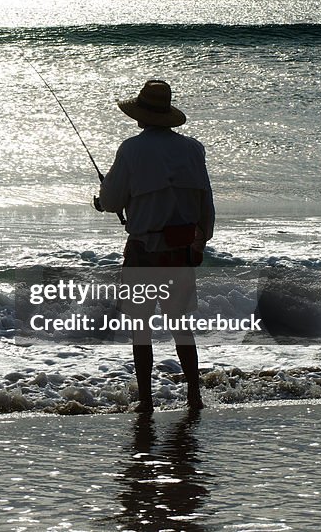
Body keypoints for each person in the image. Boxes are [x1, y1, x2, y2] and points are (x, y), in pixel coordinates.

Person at [97, 80, 214, 412]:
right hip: (180, 252)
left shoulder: (131, 149)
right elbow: (206, 199)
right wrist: (201, 240)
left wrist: (101, 202)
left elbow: (111, 200)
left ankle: (146, 401)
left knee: (141, 330)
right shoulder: (193, 149)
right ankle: (194, 395)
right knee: (182, 329)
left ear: (140, 115)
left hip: (143, 251)